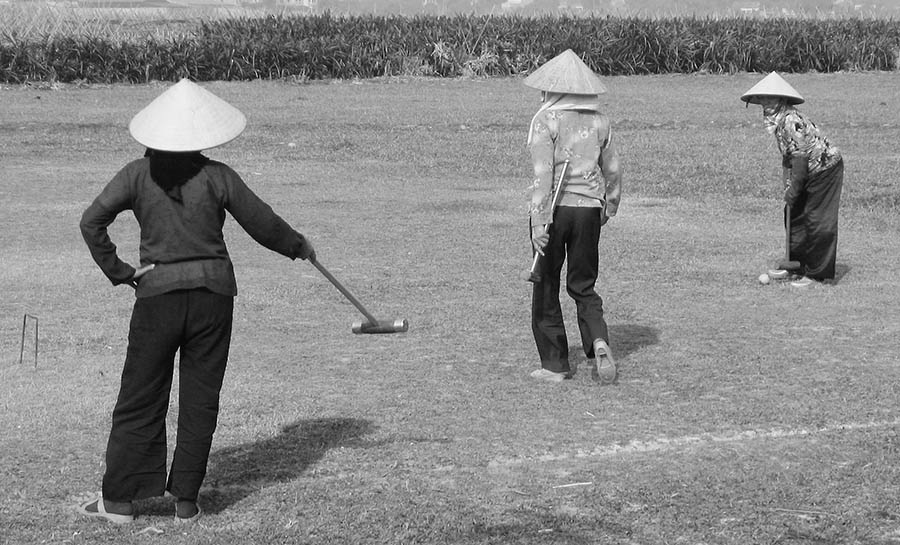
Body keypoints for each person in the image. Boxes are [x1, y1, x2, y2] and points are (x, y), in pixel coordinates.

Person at [77, 79, 315, 524]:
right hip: (213, 298)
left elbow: (92, 222)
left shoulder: (136, 174)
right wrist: (298, 246)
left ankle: (119, 502)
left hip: (158, 299)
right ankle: (186, 501)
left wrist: (122, 272)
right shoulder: (218, 175)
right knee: (200, 398)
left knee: (140, 395)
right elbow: (263, 223)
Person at [523, 50, 623, 384]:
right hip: (589, 212)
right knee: (583, 285)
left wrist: (539, 224)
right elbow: (613, 169)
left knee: (546, 285)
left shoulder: (546, 120)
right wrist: (609, 205)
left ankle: (555, 366)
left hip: (554, 212)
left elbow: (543, 177)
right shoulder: (600, 121)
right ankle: (598, 340)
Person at [741, 72, 843, 288]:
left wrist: (794, 189)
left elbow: (800, 159)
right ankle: (795, 264)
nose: (765, 104)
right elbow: (788, 157)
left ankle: (816, 273)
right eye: (762, 100)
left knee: (816, 219)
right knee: (793, 213)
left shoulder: (790, 121)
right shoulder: (779, 122)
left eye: (770, 99)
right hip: (805, 168)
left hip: (825, 170)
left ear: (781, 100)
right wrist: (787, 184)